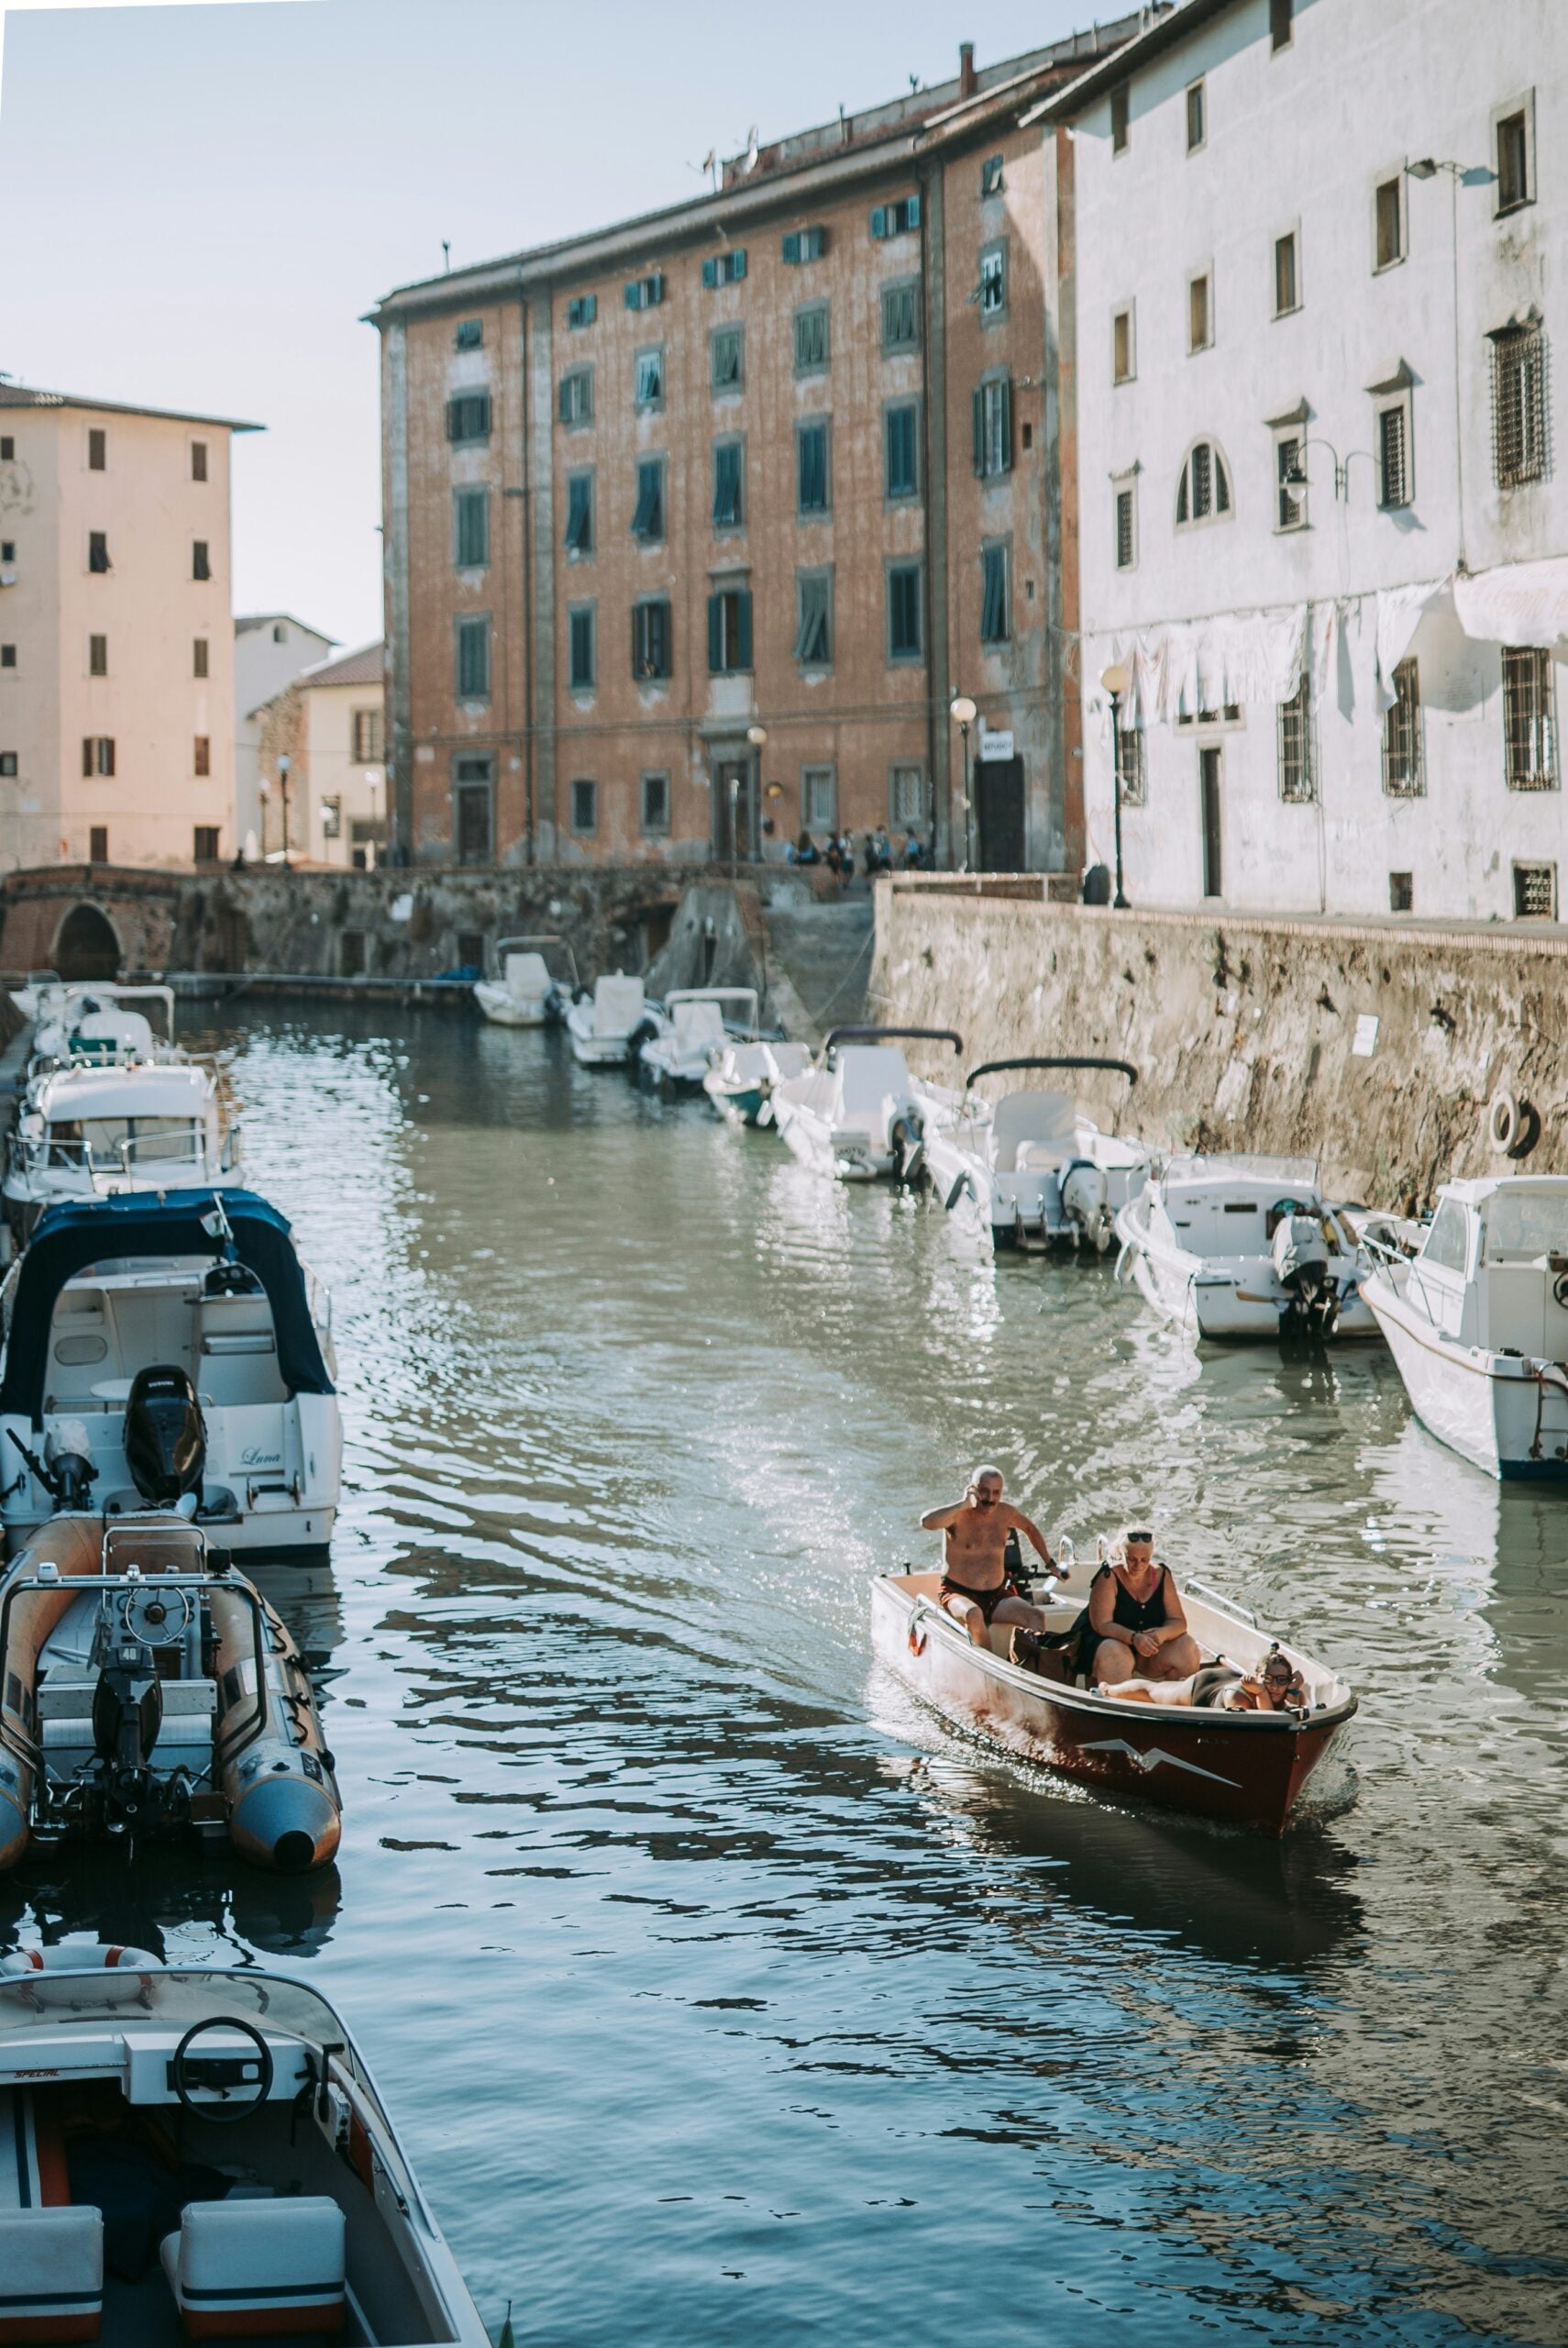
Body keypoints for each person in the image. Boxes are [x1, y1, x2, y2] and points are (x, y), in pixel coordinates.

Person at [920, 1467, 1067, 1652]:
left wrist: (1051, 1564)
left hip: (996, 1595)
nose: (990, 1499)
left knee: (1036, 1616)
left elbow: (1030, 1529)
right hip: (957, 1593)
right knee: (974, 1614)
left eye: (996, 1493)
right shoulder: (956, 1515)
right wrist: (963, 1504)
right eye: (984, 1491)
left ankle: (1031, 1666)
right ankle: (991, 1669)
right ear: (973, 1489)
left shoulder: (1006, 1513)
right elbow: (926, 1522)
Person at [1070, 1525, 1202, 1687]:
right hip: (1105, 1641)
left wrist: (1163, 1634)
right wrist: (1134, 1638)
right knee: (1118, 1655)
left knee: (1187, 1648)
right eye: (1132, 1559)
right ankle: (1116, 1705)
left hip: (1145, 1647)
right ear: (1121, 1554)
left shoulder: (1162, 1575)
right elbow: (1102, 1625)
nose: (1138, 1565)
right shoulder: (1108, 1577)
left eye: (1144, 1560)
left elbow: (1178, 1622)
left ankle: (1174, 1703)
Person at [1103, 1649, 1310, 1711]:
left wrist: (1293, 1689)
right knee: (1153, 1692)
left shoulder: (1290, 1693)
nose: (1275, 1686)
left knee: (1162, 1688)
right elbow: (1266, 1720)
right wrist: (1261, 1692)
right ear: (1257, 1677)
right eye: (1267, 1679)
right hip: (1204, 1688)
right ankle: (1108, 1689)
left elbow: (1294, 1709)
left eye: (1282, 1680)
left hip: (1229, 1678)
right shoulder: (1237, 1699)